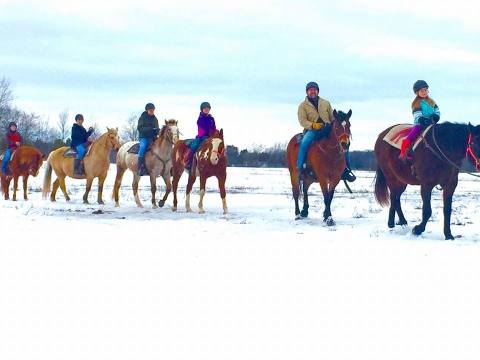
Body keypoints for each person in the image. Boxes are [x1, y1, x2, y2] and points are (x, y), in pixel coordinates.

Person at [297, 81, 355, 182]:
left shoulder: (326, 103)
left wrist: (337, 123)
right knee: (304, 143)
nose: (312, 92)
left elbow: (332, 117)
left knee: (344, 144)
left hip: (328, 129)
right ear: (307, 92)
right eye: (310, 90)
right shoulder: (302, 106)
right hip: (312, 130)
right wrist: (313, 125)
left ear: (318, 91)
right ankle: (300, 168)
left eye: (314, 90)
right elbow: (302, 121)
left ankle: (345, 169)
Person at [399, 80, 441, 161]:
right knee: (411, 136)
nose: (424, 92)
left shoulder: (432, 102)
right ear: (417, 92)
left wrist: (436, 116)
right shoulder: (416, 103)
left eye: (425, 90)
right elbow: (417, 114)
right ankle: (404, 152)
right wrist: (422, 119)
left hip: (432, 123)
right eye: (421, 90)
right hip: (420, 124)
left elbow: (437, 110)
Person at [184, 102, 217, 170]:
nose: (207, 110)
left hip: (210, 136)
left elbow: (214, 127)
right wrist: (207, 133)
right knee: (194, 146)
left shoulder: (211, 119)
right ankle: (188, 162)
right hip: (202, 136)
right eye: (205, 108)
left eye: (208, 108)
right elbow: (201, 129)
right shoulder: (200, 118)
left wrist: (216, 132)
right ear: (202, 109)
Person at [137, 103, 159, 176]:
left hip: (152, 138)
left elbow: (156, 128)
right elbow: (139, 128)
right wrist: (150, 129)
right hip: (143, 137)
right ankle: (140, 167)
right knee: (143, 147)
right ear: (147, 110)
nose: (152, 111)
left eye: (153, 110)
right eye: (150, 110)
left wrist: (158, 130)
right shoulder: (142, 118)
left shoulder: (155, 119)